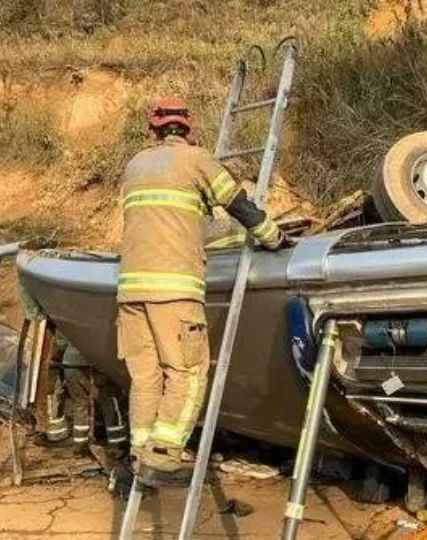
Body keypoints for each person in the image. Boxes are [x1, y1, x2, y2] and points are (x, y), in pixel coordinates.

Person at [117, 96, 288, 486]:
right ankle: (163, 458)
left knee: (145, 377)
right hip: (174, 290)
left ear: (152, 130)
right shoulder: (197, 160)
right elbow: (239, 206)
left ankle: (140, 453)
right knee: (188, 373)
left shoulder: (134, 166)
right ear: (187, 128)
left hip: (130, 293)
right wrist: (273, 237)